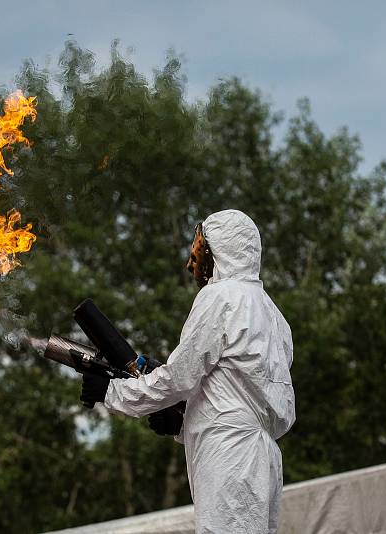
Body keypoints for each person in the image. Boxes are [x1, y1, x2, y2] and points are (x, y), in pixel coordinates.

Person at [80, 209, 296, 533]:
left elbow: (178, 379)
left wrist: (112, 392)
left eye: (198, 252)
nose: (190, 264)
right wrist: (181, 422)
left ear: (220, 250)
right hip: (262, 458)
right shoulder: (272, 314)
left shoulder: (219, 298)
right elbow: (236, 395)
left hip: (229, 456)